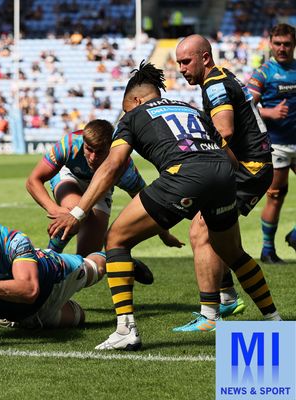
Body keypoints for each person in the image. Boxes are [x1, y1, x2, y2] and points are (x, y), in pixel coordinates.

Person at [48, 62, 280, 351]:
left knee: (117, 239)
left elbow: (114, 164)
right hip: (224, 174)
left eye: (126, 108)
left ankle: (125, 330)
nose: (125, 114)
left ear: (136, 100)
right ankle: (274, 320)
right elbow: (225, 151)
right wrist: (236, 180)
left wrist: (78, 212)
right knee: (232, 252)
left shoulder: (133, 118)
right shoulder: (191, 108)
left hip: (185, 173)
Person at [175, 34, 277, 328]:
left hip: (249, 169)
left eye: (186, 61)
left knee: (201, 231)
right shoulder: (221, 77)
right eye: (179, 62)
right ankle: (229, 297)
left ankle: (211, 314)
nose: (182, 68)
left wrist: (190, 146)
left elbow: (224, 130)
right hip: (248, 166)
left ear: (205, 58)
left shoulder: (215, 84)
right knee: (219, 235)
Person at [26, 119, 182, 256]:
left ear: (111, 148)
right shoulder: (69, 143)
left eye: (99, 152)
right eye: (89, 149)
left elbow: (150, 206)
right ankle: (50, 255)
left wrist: (164, 235)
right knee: (74, 210)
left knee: (88, 256)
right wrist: (53, 209)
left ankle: (68, 275)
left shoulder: (124, 168)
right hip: (70, 177)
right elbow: (33, 180)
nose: (93, 157)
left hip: (102, 187)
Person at [246, 23, 296, 261]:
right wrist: (270, 113)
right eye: (278, 44)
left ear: (293, 44)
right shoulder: (263, 72)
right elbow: (246, 106)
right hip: (276, 144)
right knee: (276, 195)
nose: (282, 48)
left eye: (287, 44)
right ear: (270, 44)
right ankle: (268, 250)